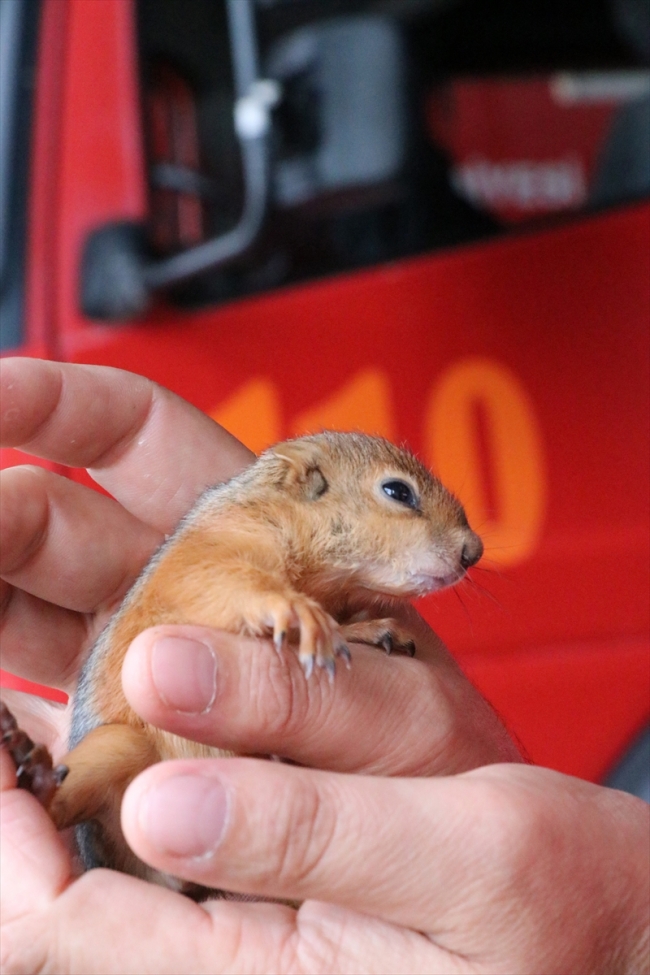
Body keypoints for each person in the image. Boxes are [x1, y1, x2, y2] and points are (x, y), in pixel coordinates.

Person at [1, 356, 647, 975]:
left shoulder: (319, 605)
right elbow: (204, 585)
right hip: (135, 782)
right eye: (399, 495)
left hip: (225, 867)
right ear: (307, 483)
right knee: (110, 756)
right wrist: (271, 603)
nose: (469, 548)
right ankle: (49, 795)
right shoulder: (240, 531)